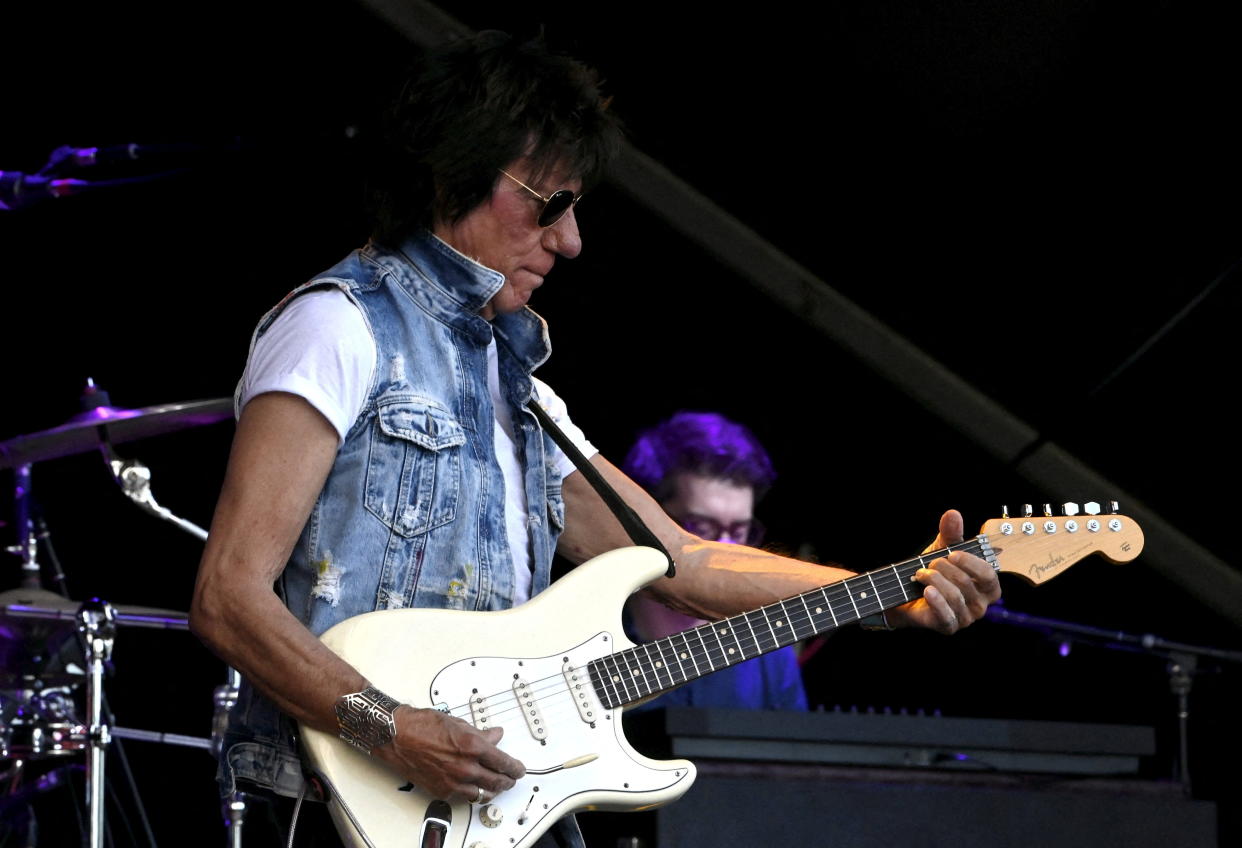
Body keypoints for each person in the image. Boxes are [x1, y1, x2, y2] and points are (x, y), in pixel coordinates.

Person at [189, 31, 1001, 847]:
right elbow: (228, 597)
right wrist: (387, 727)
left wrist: (886, 594)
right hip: (333, 806)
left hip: (493, 814)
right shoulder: (337, 326)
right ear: (451, 174)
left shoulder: (523, 394)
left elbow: (682, 561)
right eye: (549, 205)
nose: (571, 240)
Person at [622, 411, 807, 711]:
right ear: (647, 521)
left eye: (739, 531)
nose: (726, 551)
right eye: (702, 529)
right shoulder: (584, 634)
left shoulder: (769, 653)